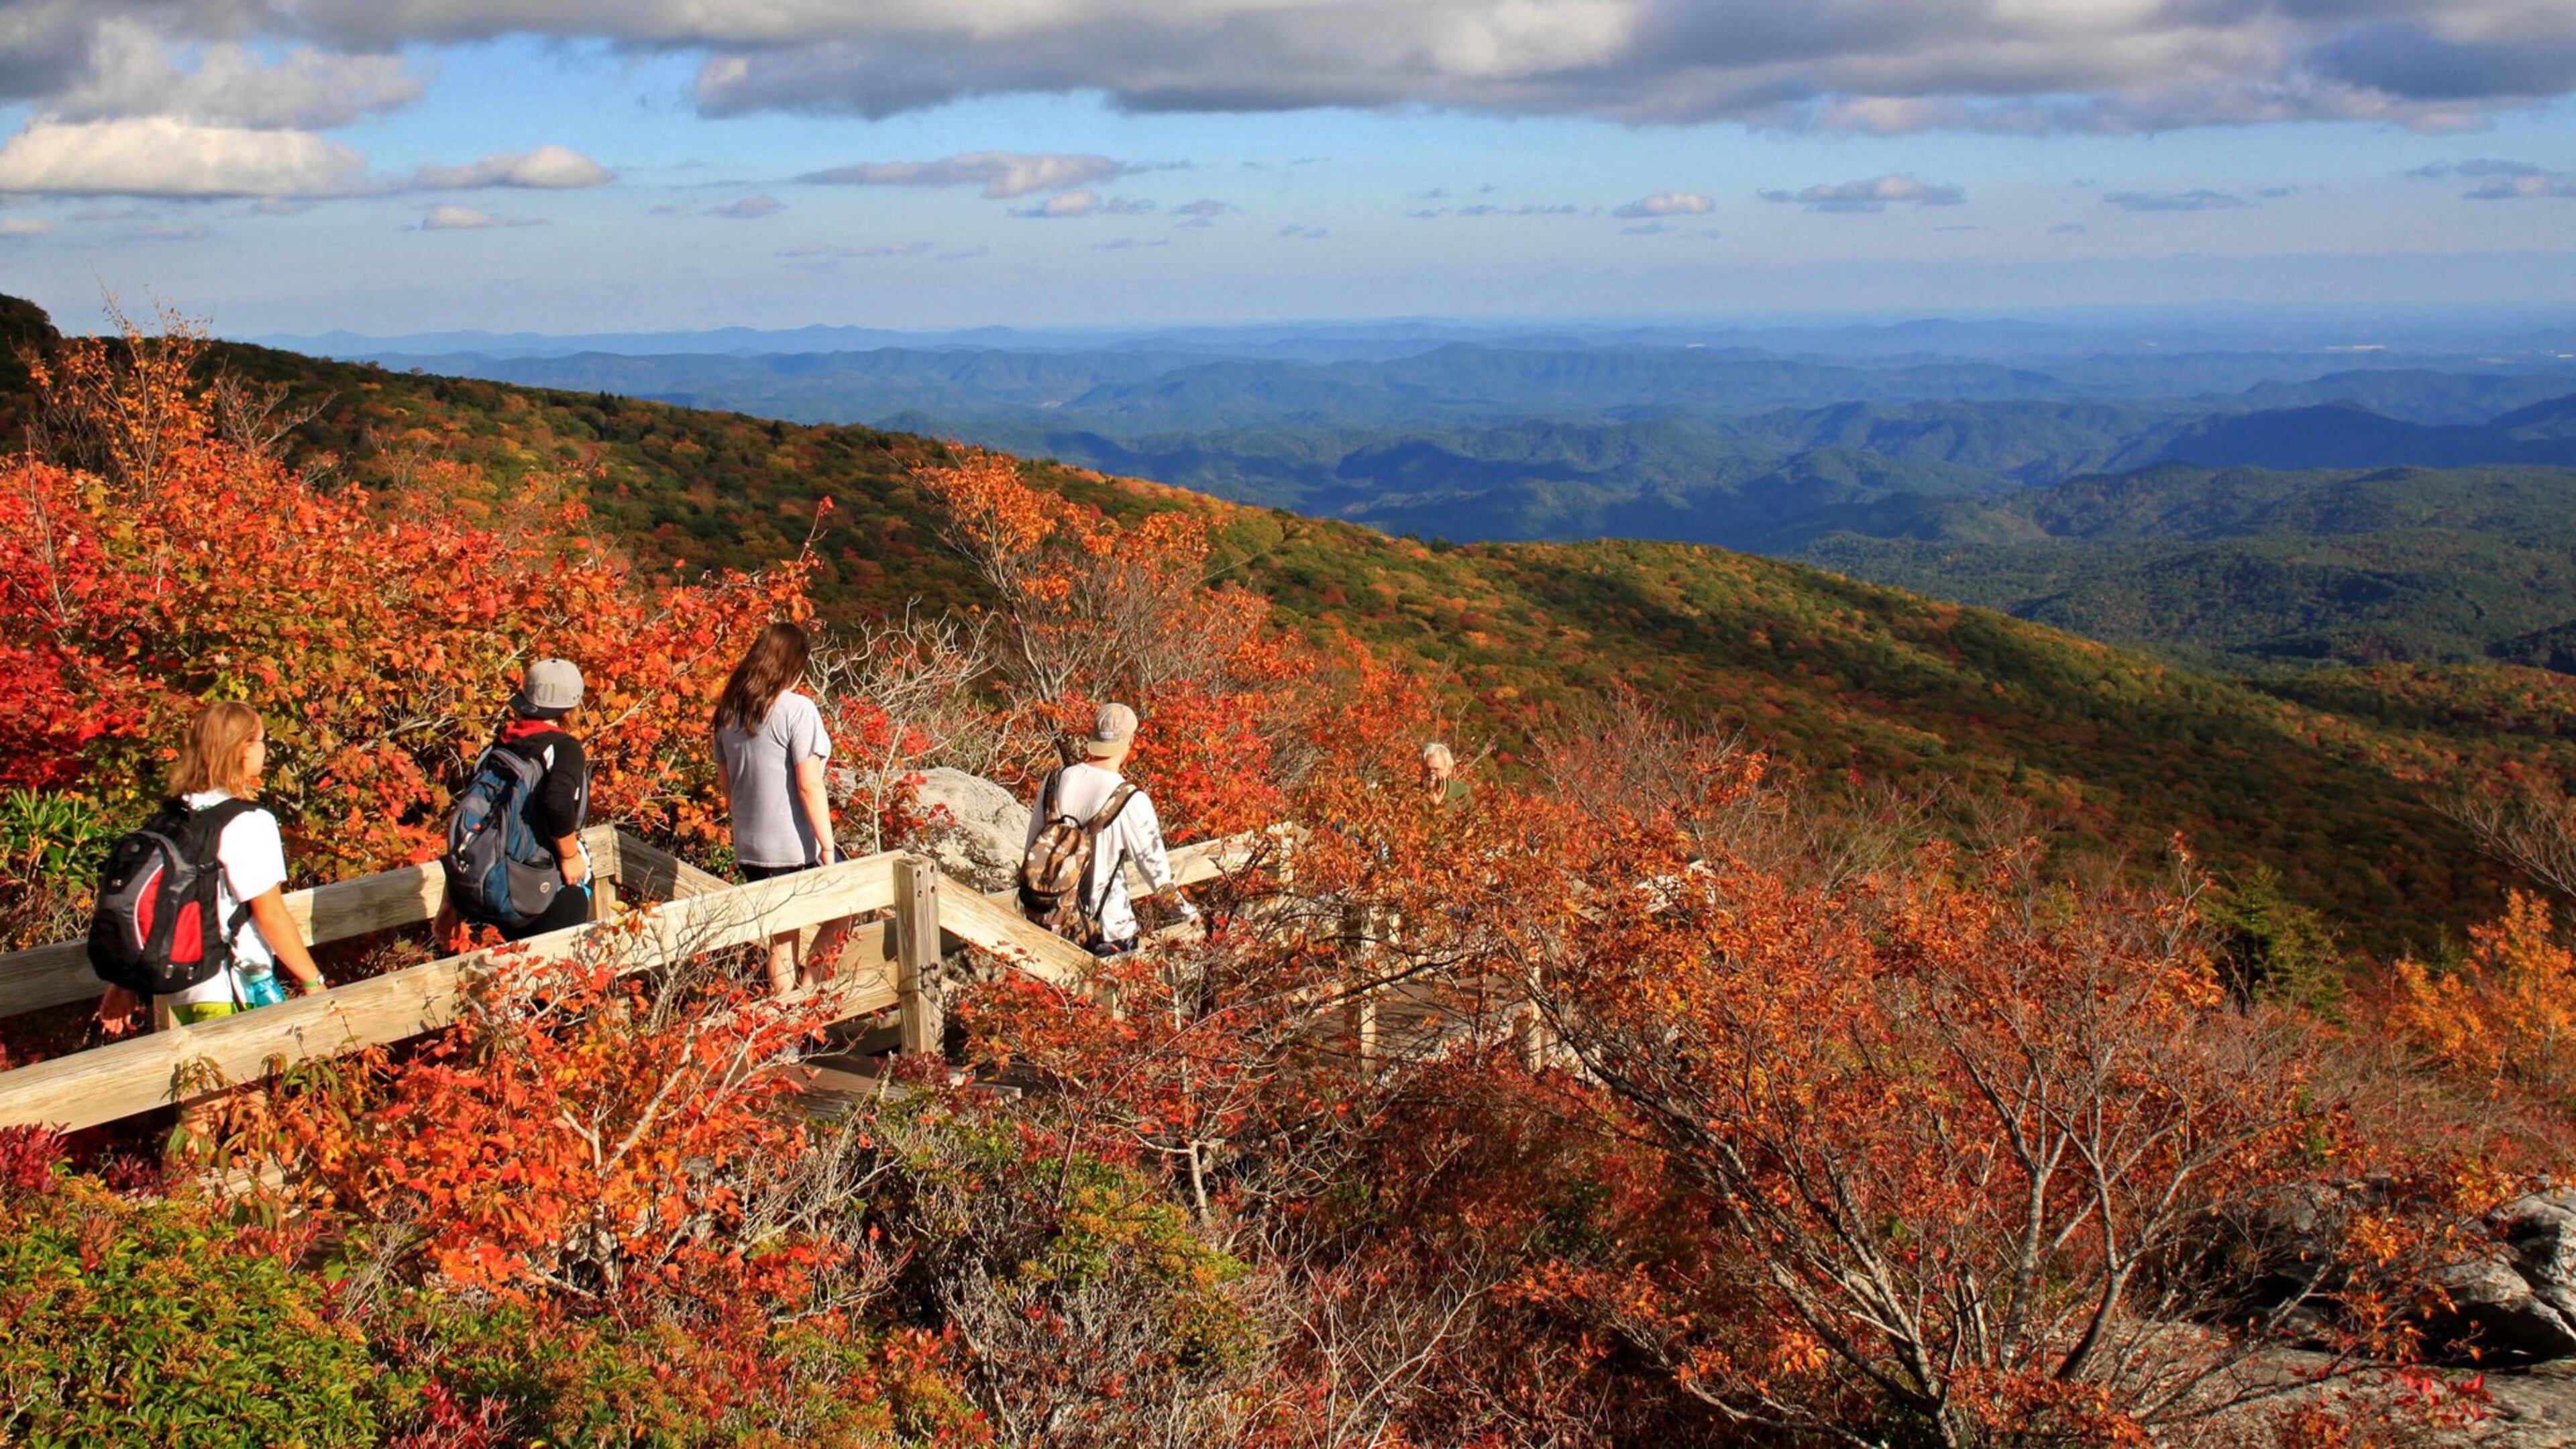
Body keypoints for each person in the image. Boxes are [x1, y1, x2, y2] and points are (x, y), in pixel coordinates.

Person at [99, 701, 327, 1034]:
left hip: (177, 990)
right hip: (231, 986)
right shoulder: (248, 821)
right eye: (262, 740)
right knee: (242, 1084)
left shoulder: (172, 817)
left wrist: (123, 985)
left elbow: (156, 911)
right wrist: (313, 982)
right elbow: (270, 914)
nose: (265, 750)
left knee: (209, 1085)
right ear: (243, 749)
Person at [712, 622, 845, 994]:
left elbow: (728, 788)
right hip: (794, 845)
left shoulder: (728, 712)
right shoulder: (797, 709)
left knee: (782, 938)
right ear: (794, 664)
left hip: (751, 845)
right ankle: (805, 1002)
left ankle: (784, 1027)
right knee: (844, 911)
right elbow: (809, 784)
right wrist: (827, 847)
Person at [1023, 702, 1199, 955]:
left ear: (1092, 736)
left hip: (1049, 923)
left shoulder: (1054, 780)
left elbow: (1032, 849)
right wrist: (1188, 913)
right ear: (1130, 741)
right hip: (1106, 931)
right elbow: (1157, 875)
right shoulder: (1131, 799)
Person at [442, 658, 595, 945]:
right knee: (555, 979)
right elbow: (557, 802)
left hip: (496, 887)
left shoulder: (499, 746)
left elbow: (475, 825)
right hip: (543, 886)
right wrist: (570, 856)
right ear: (572, 706)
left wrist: (451, 902)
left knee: (515, 980)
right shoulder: (563, 748)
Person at [1421, 741, 1472, 810]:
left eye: (1437, 769)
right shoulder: (1415, 791)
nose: (1431, 773)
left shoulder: (1461, 794)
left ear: (1449, 770)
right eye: (1428, 769)